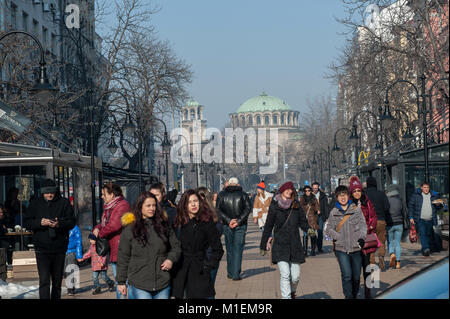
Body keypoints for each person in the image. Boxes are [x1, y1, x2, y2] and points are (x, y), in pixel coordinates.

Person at [116, 192, 181, 299]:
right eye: (148, 205)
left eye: (154, 205)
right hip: (139, 282)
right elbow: (123, 256)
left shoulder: (164, 226)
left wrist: (170, 259)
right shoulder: (130, 229)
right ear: (140, 206)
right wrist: (121, 281)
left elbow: (176, 246)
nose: (152, 208)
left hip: (162, 281)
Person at [24, 179, 76, 299]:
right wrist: (40, 222)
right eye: (47, 193)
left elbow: (72, 221)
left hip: (59, 248)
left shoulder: (64, 202)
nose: (49, 195)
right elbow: (27, 222)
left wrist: (59, 224)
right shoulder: (35, 203)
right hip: (41, 248)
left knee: (57, 281)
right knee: (44, 280)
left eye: (52, 192)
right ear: (42, 192)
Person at [260, 181, 309, 299]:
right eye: (287, 189)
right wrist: (263, 245)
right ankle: (286, 297)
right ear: (282, 190)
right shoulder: (274, 206)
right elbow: (268, 226)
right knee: (285, 274)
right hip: (280, 245)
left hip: (295, 244)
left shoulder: (296, 205)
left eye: (291, 189)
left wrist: (309, 229)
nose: (289, 191)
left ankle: (292, 291)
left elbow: (303, 221)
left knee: (295, 276)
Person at [172, 189, 224, 299]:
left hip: (200, 270)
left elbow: (218, 249)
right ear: (184, 204)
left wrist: (208, 266)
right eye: (189, 202)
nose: (193, 204)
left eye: (195, 201)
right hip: (181, 270)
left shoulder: (206, 222)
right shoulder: (178, 222)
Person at [325, 185, 367, 299]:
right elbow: (328, 229)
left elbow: (363, 225)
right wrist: (338, 237)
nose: (342, 198)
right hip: (341, 249)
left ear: (348, 196)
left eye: (344, 195)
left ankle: (354, 294)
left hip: (356, 247)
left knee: (356, 277)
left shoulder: (356, 210)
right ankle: (348, 297)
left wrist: (362, 238)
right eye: (340, 195)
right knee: (347, 275)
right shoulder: (334, 212)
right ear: (337, 197)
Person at [93, 183, 131, 299]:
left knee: (122, 282)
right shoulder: (110, 206)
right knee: (119, 281)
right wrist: (97, 228)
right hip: (115, 248)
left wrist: (99, 233)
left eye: (104, 194)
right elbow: (106, 223)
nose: (102, 197)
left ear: (112, 195)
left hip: (121, 248)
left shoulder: (122, 205)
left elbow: (114, 225)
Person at [216, 177, 252, 281]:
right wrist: (238, 221)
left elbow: (218, 209)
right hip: (240, 225)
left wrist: (228, 221)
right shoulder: (243, 195)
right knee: (238, 249)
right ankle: (236, 274)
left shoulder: (222, 195)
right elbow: (248, 208)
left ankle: (230, 272)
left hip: (227, 225)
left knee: (230, 249)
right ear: (237, 184)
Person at [349, 176, 377, 299]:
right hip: (353, 242)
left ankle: (367, 293)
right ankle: (354, 293)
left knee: (367, 268)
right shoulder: (348, 204)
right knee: (355, 273)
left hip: (366, 241)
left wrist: (370, 227)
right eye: (354, 191)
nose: (357, 193)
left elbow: (374, 217)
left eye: (358, 190)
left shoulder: (367, 202)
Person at [196, 187, 223, 287]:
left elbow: (217, 233)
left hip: (209, 257)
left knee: (208, 289)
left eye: (199, 200)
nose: (196, 203)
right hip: (195, 260)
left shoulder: (215, 215)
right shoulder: (190, 217)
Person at [408, 182, 443, 256]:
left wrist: (439, 204)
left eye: (427, 187)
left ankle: (425, 248)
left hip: (430, 219)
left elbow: (438, 207)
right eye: (424, 187)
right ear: (421, 188)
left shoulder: (433, 196)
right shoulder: (416, 196)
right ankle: (426, 248)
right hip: (420, 219)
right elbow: (411, 206)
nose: (426, 189)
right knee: (423, 234)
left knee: (428, 234)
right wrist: (411, 217)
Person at [365, 176, 391, 270]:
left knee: (370, 242)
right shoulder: (381, 194)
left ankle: (372, 261)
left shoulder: (365, 194)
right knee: (381, 240)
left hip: (370, 222)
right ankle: (381, 257)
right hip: (380, 220)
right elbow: (387, 207)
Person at [386, 184, 405, 269]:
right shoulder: (400, 200)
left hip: (390, 224)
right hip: (399, 223)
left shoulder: (387, 200)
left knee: (390, 241)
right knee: (397, 243)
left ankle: (392, 253)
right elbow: (404, 211)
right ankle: (398, 263)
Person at [299, 185, 319, 256]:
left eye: (309, 190)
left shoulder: (314, 198)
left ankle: (313, 250)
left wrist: (317, 210)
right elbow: (300, 208)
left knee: (312, 234)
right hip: (305, 219)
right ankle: (305, 251)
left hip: (312, 219)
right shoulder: (302, 198)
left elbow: (317, 207)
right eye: (306, 191)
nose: (307, 192)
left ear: (311, 191)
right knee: (305, 235)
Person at [312, 182, 330, 253]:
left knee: (320, 232)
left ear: (318, 187)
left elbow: (326, 206)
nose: (315, 189)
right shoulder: (310, 195)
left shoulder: (323, 195)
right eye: (314, 188)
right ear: (312, 188)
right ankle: (314, 246)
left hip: (320, 216)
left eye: (316, 188)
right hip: (312, 217)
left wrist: (326, 216)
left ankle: (319, 248)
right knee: (312, 232)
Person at [65, 224, 83, 296]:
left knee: (70, 271)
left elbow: (79, 242)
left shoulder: (75, 229)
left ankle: (70, 288)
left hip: (71, 252)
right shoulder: (61, 226)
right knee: (64, 271)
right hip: (61, 251)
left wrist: (79, 255)